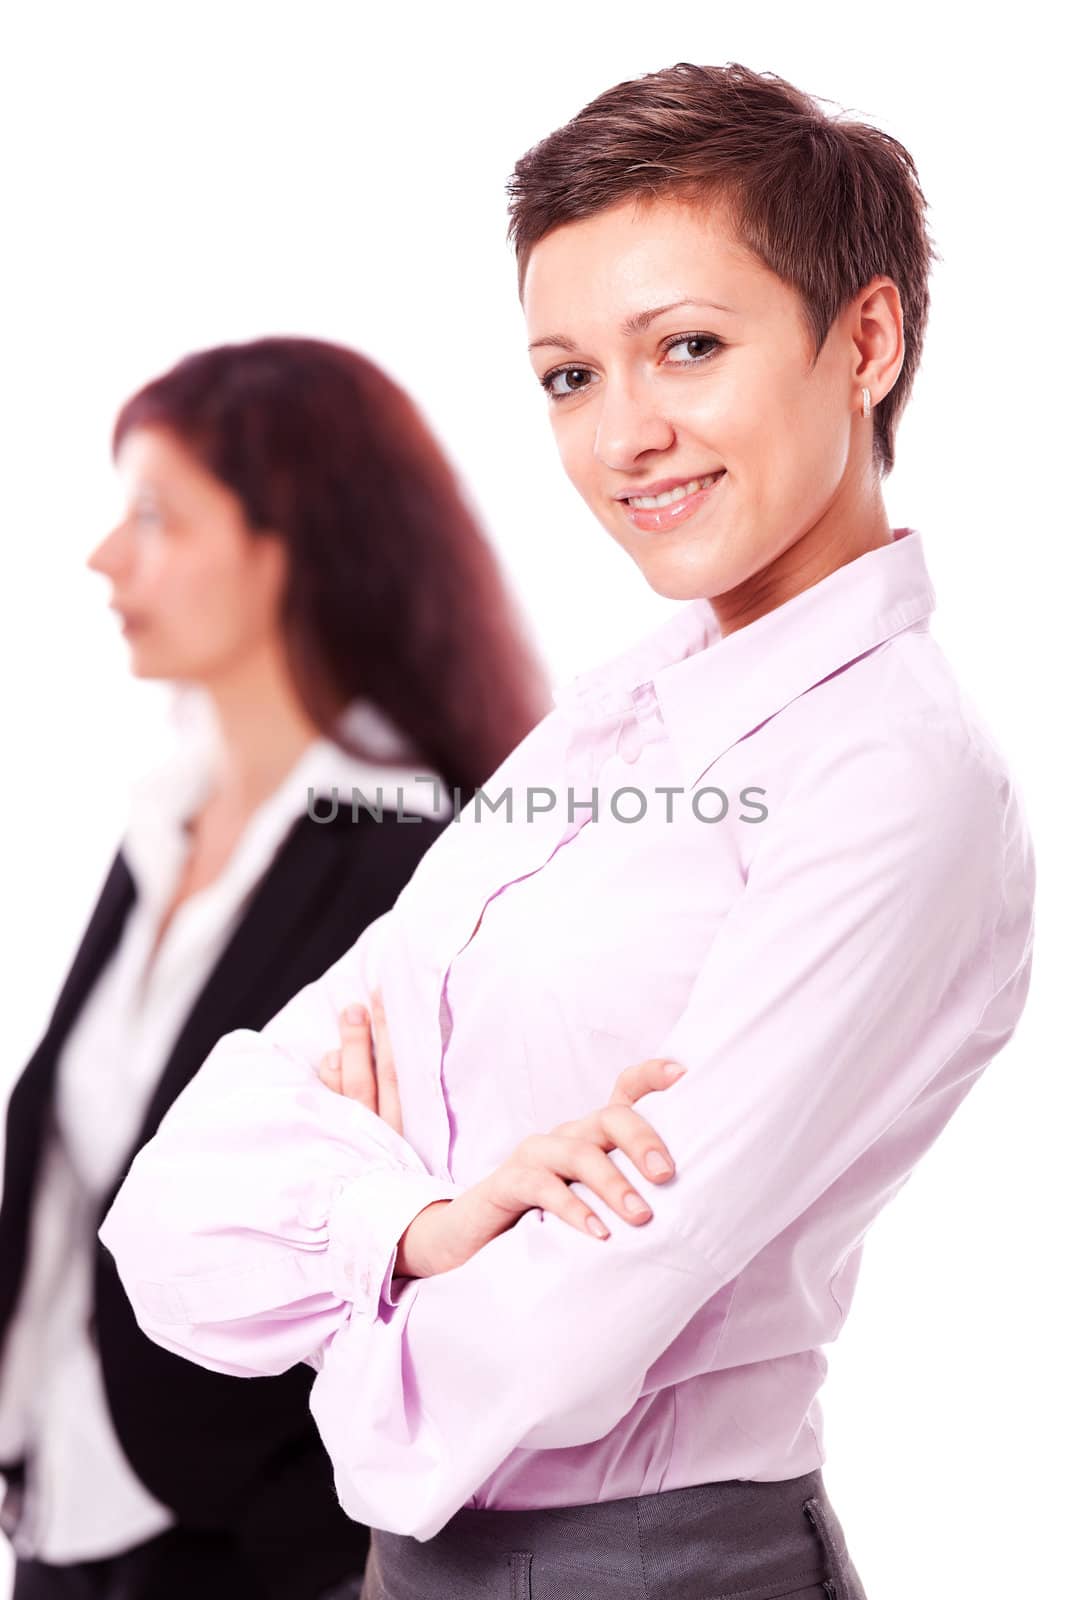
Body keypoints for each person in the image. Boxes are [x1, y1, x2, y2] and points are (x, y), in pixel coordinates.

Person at [98, 63, 1036, 1600]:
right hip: (431, 1568)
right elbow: (172, 1206)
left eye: (685, 348)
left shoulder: (892, 779)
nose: (625, 437)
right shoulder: (619, 719)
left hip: (653, 1565)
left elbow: (588, 1303)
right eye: (567, 376)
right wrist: (420, 1220)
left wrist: (340, 1271)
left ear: (861, 339)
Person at [0, 335, 550, 1599]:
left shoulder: (421, 854)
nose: (103, 557)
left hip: (257, 1541)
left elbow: (412, 1233)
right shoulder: (166, 821)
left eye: (156, 515)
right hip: (64, 1502)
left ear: (290, 544)